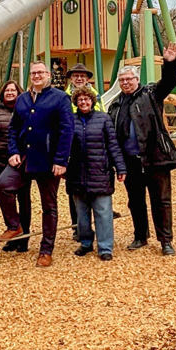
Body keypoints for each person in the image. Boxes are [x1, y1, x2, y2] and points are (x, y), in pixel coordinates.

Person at [0, 60, 74, 268]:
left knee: (49, 207)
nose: (37, 76)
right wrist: (13, 152)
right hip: (24, 159)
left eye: (41, 72)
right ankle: (14, 225)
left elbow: (67, 131)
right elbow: (13, 129)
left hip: (49, 161)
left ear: (48, 74)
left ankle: (46, 251)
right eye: (33, 73)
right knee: (2, 186)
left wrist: (61, 160)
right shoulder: (22, 99)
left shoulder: (60, 98)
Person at [108, 42, 176, 256]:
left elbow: (169, 81)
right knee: (136, 201)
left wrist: (169, 62)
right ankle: (140, 236)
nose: (125, 83)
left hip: (155, 157)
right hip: (130, 161)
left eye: (129, 79)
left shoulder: (150, 94)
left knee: (161, 201)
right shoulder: (116, 105)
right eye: (122, 80)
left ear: (136, 80)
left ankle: (165, 240)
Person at [67, 86, 125, 261]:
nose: (83, 102)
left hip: (100, 172)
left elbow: (113, 145)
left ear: (92, 101)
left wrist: (120, 167)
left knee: (103, 212)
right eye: (80, 100)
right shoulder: (71, 120)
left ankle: (105, 246)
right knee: (82, 214)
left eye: (86, 99)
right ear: (76, 102)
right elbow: (63, 145)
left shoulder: (103, 119)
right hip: (77, 172)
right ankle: (85, 242)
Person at [0, 80, 31, 253]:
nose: (10, 92)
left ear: (19, 92)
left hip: (20, 160)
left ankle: (23, 237)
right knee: (7, 197)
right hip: (1, 160)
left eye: (14, 90)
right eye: (7, 90)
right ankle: (13, 233)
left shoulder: (25, 110)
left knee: (23, 197)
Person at [64, 63, 102, 239]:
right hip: (73, 148)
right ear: (71, 78)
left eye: (82, 76)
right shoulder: (64, 96)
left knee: (96, 190)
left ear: (87, 79)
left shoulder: (96, 95)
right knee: (75, 191)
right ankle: (77, 228)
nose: (79, 78)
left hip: (93, 147)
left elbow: (101, 116)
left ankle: (94, 226)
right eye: (76, 75)